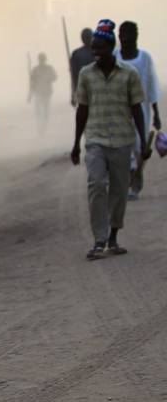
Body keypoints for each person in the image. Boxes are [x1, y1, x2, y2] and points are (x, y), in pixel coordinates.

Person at [71, 19, 147, 260]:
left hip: (123, 140)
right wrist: (75, 144)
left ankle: (113, 236)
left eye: (99, 48)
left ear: (111, 47)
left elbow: (137, 109)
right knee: (95, 185)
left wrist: (143, 142)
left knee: (118, 190)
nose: (95, 53)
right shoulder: (86, 75)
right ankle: (99, 239)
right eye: (93, 48)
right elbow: (81, 109)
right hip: (95, 139)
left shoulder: (129, 74)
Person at [114, 21, 161, 199]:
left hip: (141, 109)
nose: (124, 38)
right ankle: (130, 177)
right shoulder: (115, 56)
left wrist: (156, 113)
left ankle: (136, 179)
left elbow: (151, 85)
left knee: (138, 146)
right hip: (119, 110)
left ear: (136, 36)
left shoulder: (145, 58)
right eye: (121, 34)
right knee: (123, 147)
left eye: (127, 34)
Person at [28, 52, 57, 133]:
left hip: (47, 92)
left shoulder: (49, 68)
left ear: (44, 59)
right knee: (38, 111)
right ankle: (39, 127)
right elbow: (32, 82)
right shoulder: (35, 69)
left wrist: (48, 79)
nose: (41, 60)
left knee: (46, 111)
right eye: (40, 59)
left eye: (42, 59)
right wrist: (30, 94)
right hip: (38, 93)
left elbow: (55, 77)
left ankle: (44, 127)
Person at [70, 28, 95, 107]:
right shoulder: (76, 54)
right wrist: (73, 94)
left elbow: (73, 76)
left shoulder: (98, 52)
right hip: (85, 89)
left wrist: (73, 94)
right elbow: (74, 75)